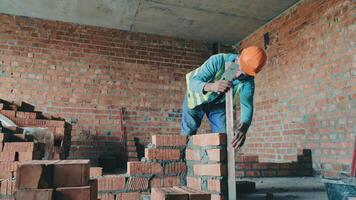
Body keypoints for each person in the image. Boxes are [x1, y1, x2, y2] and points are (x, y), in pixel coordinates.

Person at [180, 46, 267, 150]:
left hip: (218, 104)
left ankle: (217, 163)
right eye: (239, 68)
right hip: (197, 99)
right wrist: (212, 86)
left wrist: (243, 128)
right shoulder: (219, 61)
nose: (239, 75)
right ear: (239, 57)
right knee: (188, 132)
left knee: (222, 138)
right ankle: (183, 159)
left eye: (245, 73)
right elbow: (192, 83)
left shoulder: (247, 81)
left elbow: (246, 106)